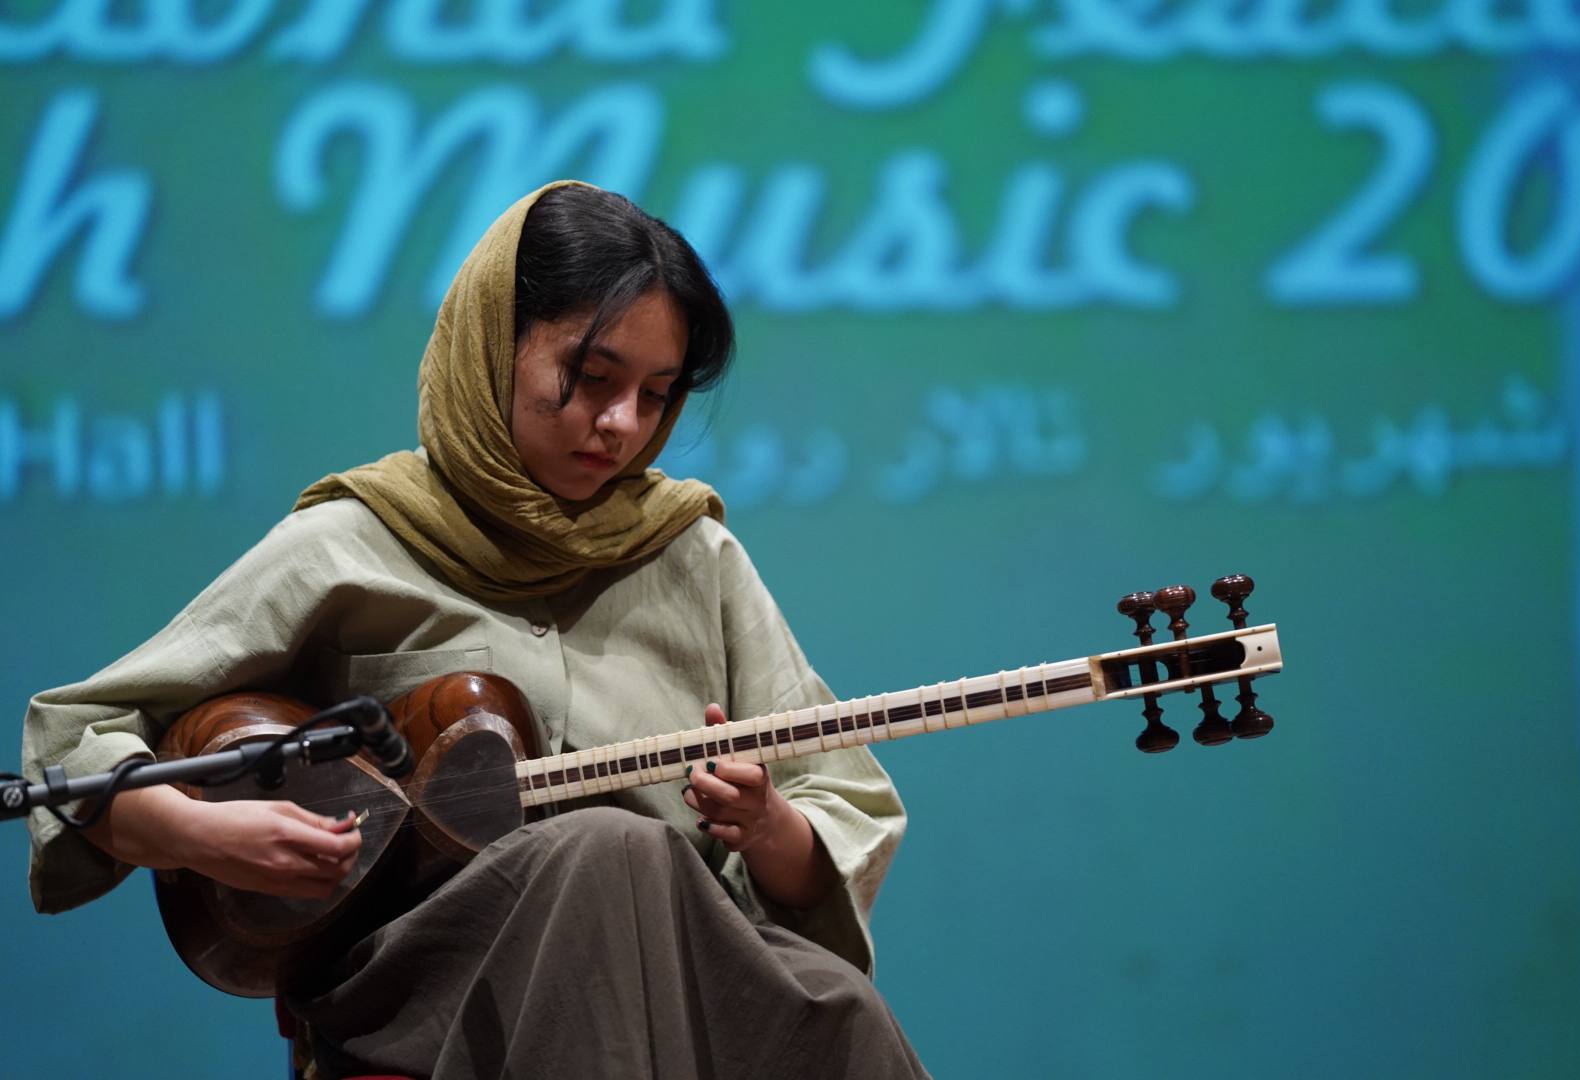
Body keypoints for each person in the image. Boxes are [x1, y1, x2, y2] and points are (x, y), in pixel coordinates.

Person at [21, 180, 927, 1079]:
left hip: (682, 961)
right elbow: (79, 735)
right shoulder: (351, 544)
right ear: (495, 344)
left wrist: (767, 825)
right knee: (606, 852)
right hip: (429, 980)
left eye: (654, 396)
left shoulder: (695, 555)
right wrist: (201, 837)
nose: (620, 425)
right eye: (591, 377)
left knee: (834, 1008)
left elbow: (840, 805)